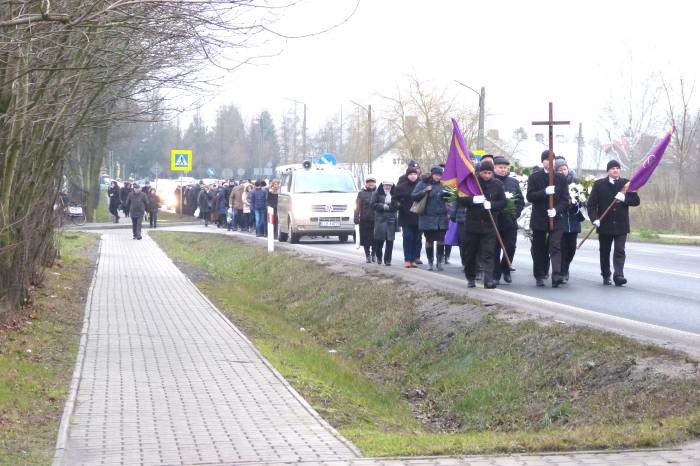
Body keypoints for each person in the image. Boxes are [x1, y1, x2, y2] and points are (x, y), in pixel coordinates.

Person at [587, 159, 640, 286]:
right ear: (608, 171)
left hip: (621, 224)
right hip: (604, 223)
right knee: (604, 251)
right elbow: (591, 204)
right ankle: (606, 275)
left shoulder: (626, 184)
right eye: (612, 168)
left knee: (620, 250)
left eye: (617, 168)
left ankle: (618, 275)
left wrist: (624, 198)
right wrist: (594, 218)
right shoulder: (599, 184)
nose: (615, 170)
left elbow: (636, 201)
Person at [458, 161, 506, 288]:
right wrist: (473, 200)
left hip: (490, 225)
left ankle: (488, 279)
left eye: (489, 173)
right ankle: (471, 277)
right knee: (471, 253)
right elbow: (461, 199)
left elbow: (503, 202)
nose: (487, 175)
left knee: (488, 252)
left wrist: (492, 205)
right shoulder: (472, 183)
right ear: (480, 172)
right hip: (473, 224)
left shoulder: (497, 184)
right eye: (484, 172)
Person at [526, 150, 570, 287]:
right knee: (539, 247)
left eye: (552, 160)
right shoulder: (534, 177)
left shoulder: (561, 178)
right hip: (539, 217)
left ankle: (556, 274)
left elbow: (565, 199)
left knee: (556, 246)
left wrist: (556, 210)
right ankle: (539, 274)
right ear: (542, 161)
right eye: (547, 160)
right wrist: (544, 192)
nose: (550, 162)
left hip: (556, 218)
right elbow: (530, 196)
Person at [493, 156, 524, 283]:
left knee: (510, 246)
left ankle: (506, 268)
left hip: (509, 221)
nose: (503, 170)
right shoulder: (491, 181)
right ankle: (495, 273)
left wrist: (514, 213)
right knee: (494, 248)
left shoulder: (513, 182)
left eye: (505, 168)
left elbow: (520, 201)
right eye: (500, 167)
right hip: (494, 221)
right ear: (494, 168)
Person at [412, 165, 449, 271]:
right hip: (427, 218)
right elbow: (414, 196)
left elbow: (452, 197)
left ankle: (439, 262)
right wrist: (424, 191)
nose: (438, 177)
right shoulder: (423, 183)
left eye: (440, 175)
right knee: (429, 240)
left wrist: (448, 194)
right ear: (432, 174)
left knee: (441, 240)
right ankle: (430, 263)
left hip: (441, 217)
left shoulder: (444, 185)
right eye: (437, 175)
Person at [555, 158, 585, 283]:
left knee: (572, 247)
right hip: (560, 220)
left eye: (564, 169)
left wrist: (575, 202)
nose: (563, 171)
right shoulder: (554, 182)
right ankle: (561, 271)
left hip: (573, 220)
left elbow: (583, 200)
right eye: (560, 169)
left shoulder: (575, 183)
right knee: (561, 247)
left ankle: (566, 266)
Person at [394, 167, 421, 268]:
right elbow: (394, 200)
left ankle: (413, 259)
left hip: (418, 216)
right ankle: (407, 259)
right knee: (407, 237)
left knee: (416, 238)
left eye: (415, 174)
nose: (413, 176)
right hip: (405, 216)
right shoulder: (401, 187)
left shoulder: (421, 186)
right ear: (407, 175)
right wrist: (398, 205)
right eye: (411, 174)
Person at [372, 181, 399, 266]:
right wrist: (382, 206)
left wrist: (394, 205)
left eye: (389, 185)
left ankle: (388, 260)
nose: (387, 187)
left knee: (390, 241)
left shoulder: (395, 194)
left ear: (392, 186)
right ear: (383, 185)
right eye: (386, 185)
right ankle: (379, 256)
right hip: (380, 220)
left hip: (391, 219)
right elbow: (372, 205)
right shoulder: (377, 193)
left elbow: (398, 205)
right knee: (379, 241)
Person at [354, 176, 377, 262]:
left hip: (376, 219)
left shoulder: (378, 192)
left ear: (375, 183)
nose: (371, 183)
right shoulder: (361, 193)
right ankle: (367, 255)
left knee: (375, 238)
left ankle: (374, 254)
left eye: (372, 182)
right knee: (365, 238)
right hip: (364, 219)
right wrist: (356, 217)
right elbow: (357, 206)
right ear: (366, 183)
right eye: (369, 182)